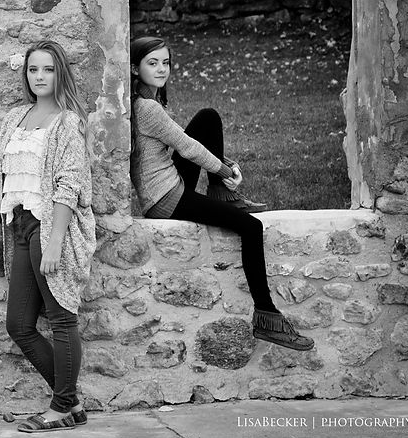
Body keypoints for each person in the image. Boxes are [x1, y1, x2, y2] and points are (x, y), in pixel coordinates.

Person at [130, 36, 313, 351]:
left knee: (207, 118)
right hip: (165, 199)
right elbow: (187, 148)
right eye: (152, 63)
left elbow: (185, 142)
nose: (161, 69)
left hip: (168, 185)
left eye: (166, 62)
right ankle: (267, 316)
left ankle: (221, 195)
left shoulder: (149, 102)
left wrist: (224, 166)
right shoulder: (147, 108)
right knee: (251, 227)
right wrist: (227, 173)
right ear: (135, 68)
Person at [0, 40, 97, 433]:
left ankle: (62, 405)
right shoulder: (15, 118)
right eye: (33, 69)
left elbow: (69, 185)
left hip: (48, 227)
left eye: (48, 69)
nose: (39, 76)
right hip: (17, 225)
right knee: (19, 325)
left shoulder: (68, 123)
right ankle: (71, 401)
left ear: (59, 73)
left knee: (62, 318)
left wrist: (55, 242)